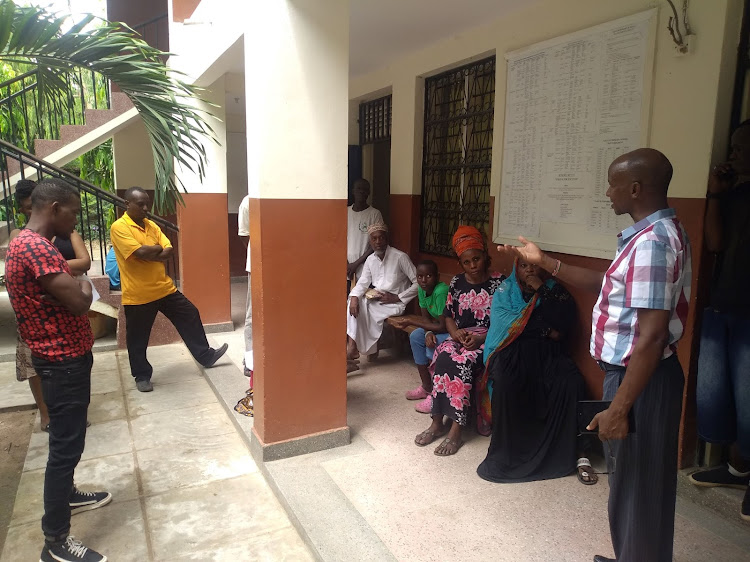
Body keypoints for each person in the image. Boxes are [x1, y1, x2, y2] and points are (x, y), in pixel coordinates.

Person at [499, 148, 691, 562]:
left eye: (613, 183)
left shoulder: (654, 244)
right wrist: (545, 262)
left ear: (635, 188)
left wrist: (620, 407)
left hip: (641, 379)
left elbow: (653, 336)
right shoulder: (648, 237)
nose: (607, 192)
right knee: (631, 484)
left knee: (638, 486)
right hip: (634, 376)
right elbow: (607, 283)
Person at [5, 177, 111, 562]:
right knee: (65, 448)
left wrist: (77, 284)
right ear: (53, 209)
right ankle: (56, 542)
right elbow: (81, 301)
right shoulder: (36, 249)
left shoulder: (30, 244)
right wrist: (81, 286)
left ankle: (67, 495)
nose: (75, 220)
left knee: (68, 441)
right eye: (74, 212)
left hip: (63, 358)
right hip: (60, 362)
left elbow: (72, 287)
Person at [476, 258, 595, 484]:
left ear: (543, 268)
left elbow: (564, 321)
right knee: (506, 383)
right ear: (516, 269)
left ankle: (580, 452)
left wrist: (540, 289)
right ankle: (510, 453)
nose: (530, 270)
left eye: (534, 266)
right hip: (513, 351)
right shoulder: (505, 290)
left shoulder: (552, 289)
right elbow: (505, 323)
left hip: (548, 354)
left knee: (572, 382)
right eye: (524, 266)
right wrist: (545, 328)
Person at [689, 120, 750, 522]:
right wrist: (715, 192)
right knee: (718, 395)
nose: (732, 154)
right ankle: (736, 469)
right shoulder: (735, 194)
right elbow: (714, 243)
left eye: (741, 147)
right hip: (724, 305)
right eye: (732, 147)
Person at [110, 187, 228, 393]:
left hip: (164, 288)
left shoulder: (151, 225)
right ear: (127, 204)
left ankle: (205, 355)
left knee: (189, 313)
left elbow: (168, 249)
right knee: (138, 338)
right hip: (138, 294)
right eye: (140, 204)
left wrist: (151, 252)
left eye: (148, 203)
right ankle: (141, 375)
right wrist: (154, 250)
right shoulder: (119, 227)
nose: (146, 208)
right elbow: (142, 251)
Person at [414, 226, 504, 456]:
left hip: (488, 339)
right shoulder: (456, 283)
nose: (473, 265)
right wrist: (455, 334)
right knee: (443, 355)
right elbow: (448, 316)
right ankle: (437, 422)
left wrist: (480, 337)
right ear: (460, 264)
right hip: (460, 336)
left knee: (462, 364)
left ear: (485, 256)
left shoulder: (500, 284)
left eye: (477, 259)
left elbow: (504, 322)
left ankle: (456, 429)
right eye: (467, 262)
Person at [347, 223, 417, 368]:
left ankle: (354, 348)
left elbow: (418, 282)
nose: (378, 242)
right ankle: (355, 347)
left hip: (395, 303)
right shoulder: (370, 259)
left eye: (381, 238)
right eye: (374, 239)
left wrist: (398, 297)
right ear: (370, 241)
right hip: (377, 300)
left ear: (387, 239)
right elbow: (362, 283)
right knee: (353, 303)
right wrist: (354, 297)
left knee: (364, 308)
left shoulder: (400, 257)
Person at [389, 259, 449, 414]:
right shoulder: (422, 289)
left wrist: (412, 322)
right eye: (420, 276)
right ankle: (426, 387)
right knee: (416, 336)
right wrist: (428, 332)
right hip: (435, 327)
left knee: (432, 345)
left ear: (437, 276)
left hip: (451, 330)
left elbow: (443, 326)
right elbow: (425, 316)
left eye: (429, 276)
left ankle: (436, 396)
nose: (423, 280)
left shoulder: (441, 291)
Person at [347, 179, 383, 290]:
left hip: (366, 266)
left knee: (365, 300)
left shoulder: (374, 214)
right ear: (353, 191)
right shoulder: (345, 212)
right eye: (358, 189)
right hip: (347, 268)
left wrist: (356, 263)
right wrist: (347, 264)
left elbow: (377, 243)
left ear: (369, 193)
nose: (361, 192)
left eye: (365, 189)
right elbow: (339, 239)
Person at [237, 193, 253, 415]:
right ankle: (250, 358)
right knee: (252, 315)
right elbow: (245, 236)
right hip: (256, 265)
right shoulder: (248, 202)